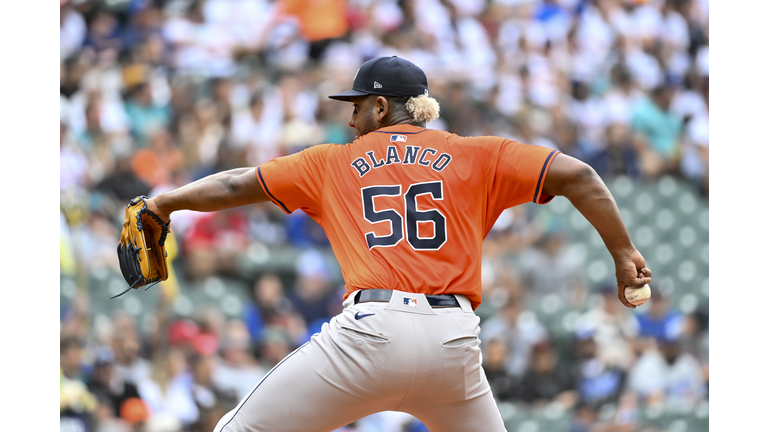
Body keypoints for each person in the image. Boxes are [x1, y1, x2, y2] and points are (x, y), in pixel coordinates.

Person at [139, 56, 652, 432]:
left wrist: (166, 204)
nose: (350, 119)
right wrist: (623, 253)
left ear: (381, 107)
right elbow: (579, 175)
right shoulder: (477, 155)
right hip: (453, 342)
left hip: (370, 334)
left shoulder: (332, 161)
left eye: (357, 107)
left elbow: (234, 184)